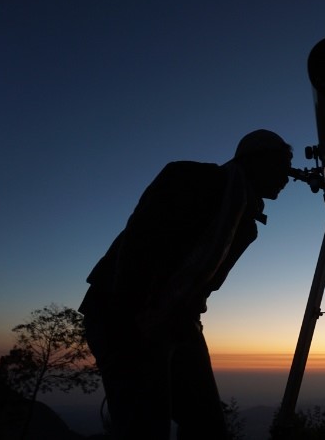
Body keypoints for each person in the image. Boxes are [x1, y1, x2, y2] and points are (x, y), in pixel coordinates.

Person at [78, 129, 293, 439]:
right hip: (119, 311)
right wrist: (132, 319)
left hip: (178, 321)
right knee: (144, 425)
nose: (287, 178)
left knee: (206, 424)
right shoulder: (188, 177)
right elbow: (139, 243)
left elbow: (207, 284)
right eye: (282, 166)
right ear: (255, 160)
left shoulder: (245, 224)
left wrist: (180, 319)